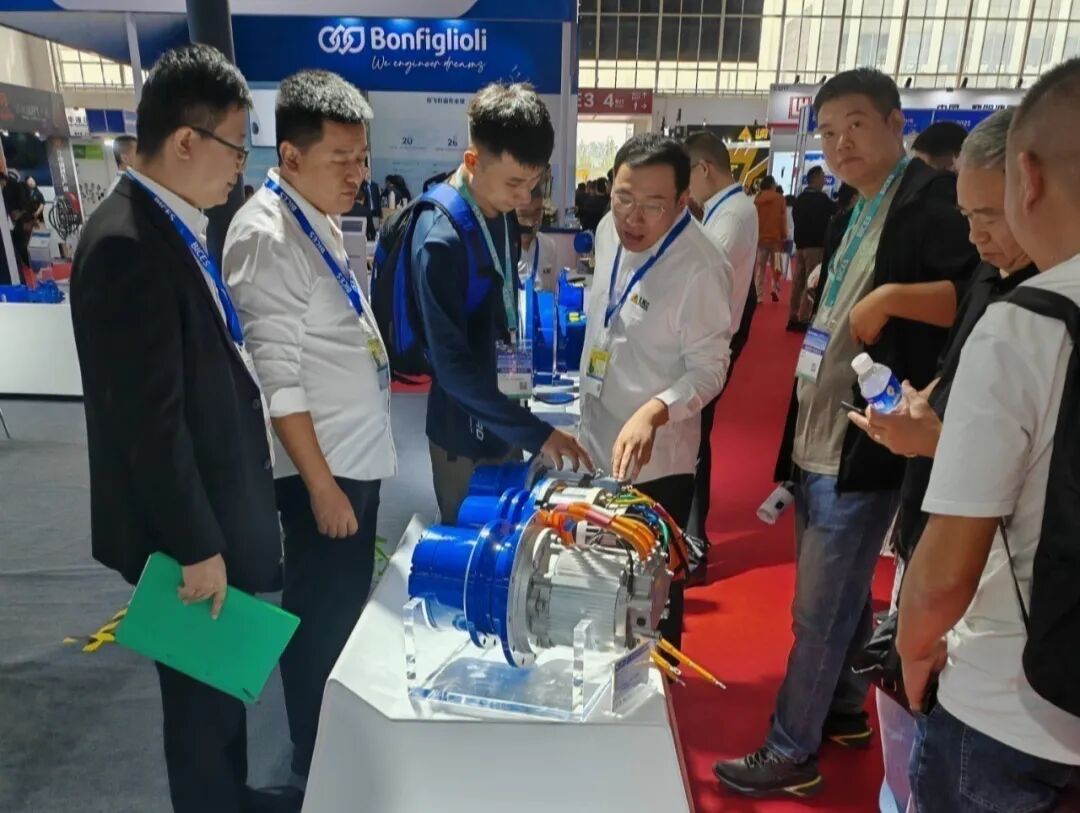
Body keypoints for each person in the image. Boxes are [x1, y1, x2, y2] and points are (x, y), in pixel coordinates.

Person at [716, 68, 978, 799]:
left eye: (856, 125)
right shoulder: (850, 210)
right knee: (844, 588)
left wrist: (892, 297)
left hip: (866, 437)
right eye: (828, 132)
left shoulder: (930, 203)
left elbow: (976, 295)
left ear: (897, 123)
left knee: (818, 609)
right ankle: (842, 708)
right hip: (819, 423)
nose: (839, 144)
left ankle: (790, 748)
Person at [69, 44, 300, 813]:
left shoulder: (169, 224)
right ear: (185, 140)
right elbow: (149, 423)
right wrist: (197, 546)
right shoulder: (126, 244)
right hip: (186, 538)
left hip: (209, 516)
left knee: (217, 689)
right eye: (236, 145)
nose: (242, 165)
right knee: (198, 711)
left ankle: (229, 794)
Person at [897, 58, 1080, 813]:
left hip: (1013, 703)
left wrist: (912, 650)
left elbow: (948, 567)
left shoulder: (1025, 325)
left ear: (1025, 178)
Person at [846, 108, 1037, 813]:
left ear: (1035, 189)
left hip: (993, 636)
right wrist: (927, 411)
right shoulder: (995, 277)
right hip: (937, 536)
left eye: (989, 215)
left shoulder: (1037, 316)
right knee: (910, 748)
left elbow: (997, 496)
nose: (976, 235)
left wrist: (918, 640)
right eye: (967, 215)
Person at [223, 69, 394, 781]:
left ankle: (331, 743)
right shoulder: (267, 235)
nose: (358, 174)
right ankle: (313, 761)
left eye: (363, 158)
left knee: (341, 611)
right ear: (290, 156)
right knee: (319, 620)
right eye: (340, 160)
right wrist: (322, 487)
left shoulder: (312, 213)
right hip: (321, 470)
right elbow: (278, 379)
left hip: (351, 457)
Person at [410, 82, 592, 524]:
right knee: (472, 545)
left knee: (512, 531)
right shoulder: (440, 238)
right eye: (514, 183)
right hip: (463, 433)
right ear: (473, 162)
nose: (526, 199)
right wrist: (537, 433)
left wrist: (520, 416)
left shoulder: (503, 212)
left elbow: (502, 312)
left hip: (507, 414)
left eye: (536, 182)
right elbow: (452, 369)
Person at [579, 133, 731, 647]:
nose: (633, 218)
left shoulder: (701, 266)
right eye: (623, 197)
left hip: (657, 464)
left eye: (652, 205)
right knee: (599, 583)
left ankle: (657, 688)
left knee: (651, 599)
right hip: (597, 437)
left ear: (683, 200)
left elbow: (710, 370)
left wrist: (655, 410)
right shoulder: (609, 229)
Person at [684, 130, 758, 547]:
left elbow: (701, 275)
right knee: (694, 435)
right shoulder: (726, 209)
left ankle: (694, 539)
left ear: (704, 169)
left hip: (710, 342)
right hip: (713, 335)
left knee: (694, 438)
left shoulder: (731, 216)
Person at [791, 166, 837, 331]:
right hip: (816, 246)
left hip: (800, 246)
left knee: (798, 282)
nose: (824, 180)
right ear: (816, 178)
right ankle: (804, 317)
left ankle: (793, 315)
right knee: (811, 283)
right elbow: (836, 210)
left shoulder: (799, 199)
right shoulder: (821, 199)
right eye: (823, 176)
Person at [516, 182, 558, 292]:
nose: (531, 222)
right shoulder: (501, 250)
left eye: (537, 212)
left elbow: (551, 292)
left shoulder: (549, 246)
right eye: (523, 215)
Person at [753, 175, 787, 302]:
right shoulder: (779, 199)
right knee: (777, 265)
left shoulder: (757, 199)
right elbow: (783, 219)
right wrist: (784, 234)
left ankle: (758, 294)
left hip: (761, 238)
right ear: (772, 185)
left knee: (760, 267)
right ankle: (775, 288)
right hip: (776, 239)